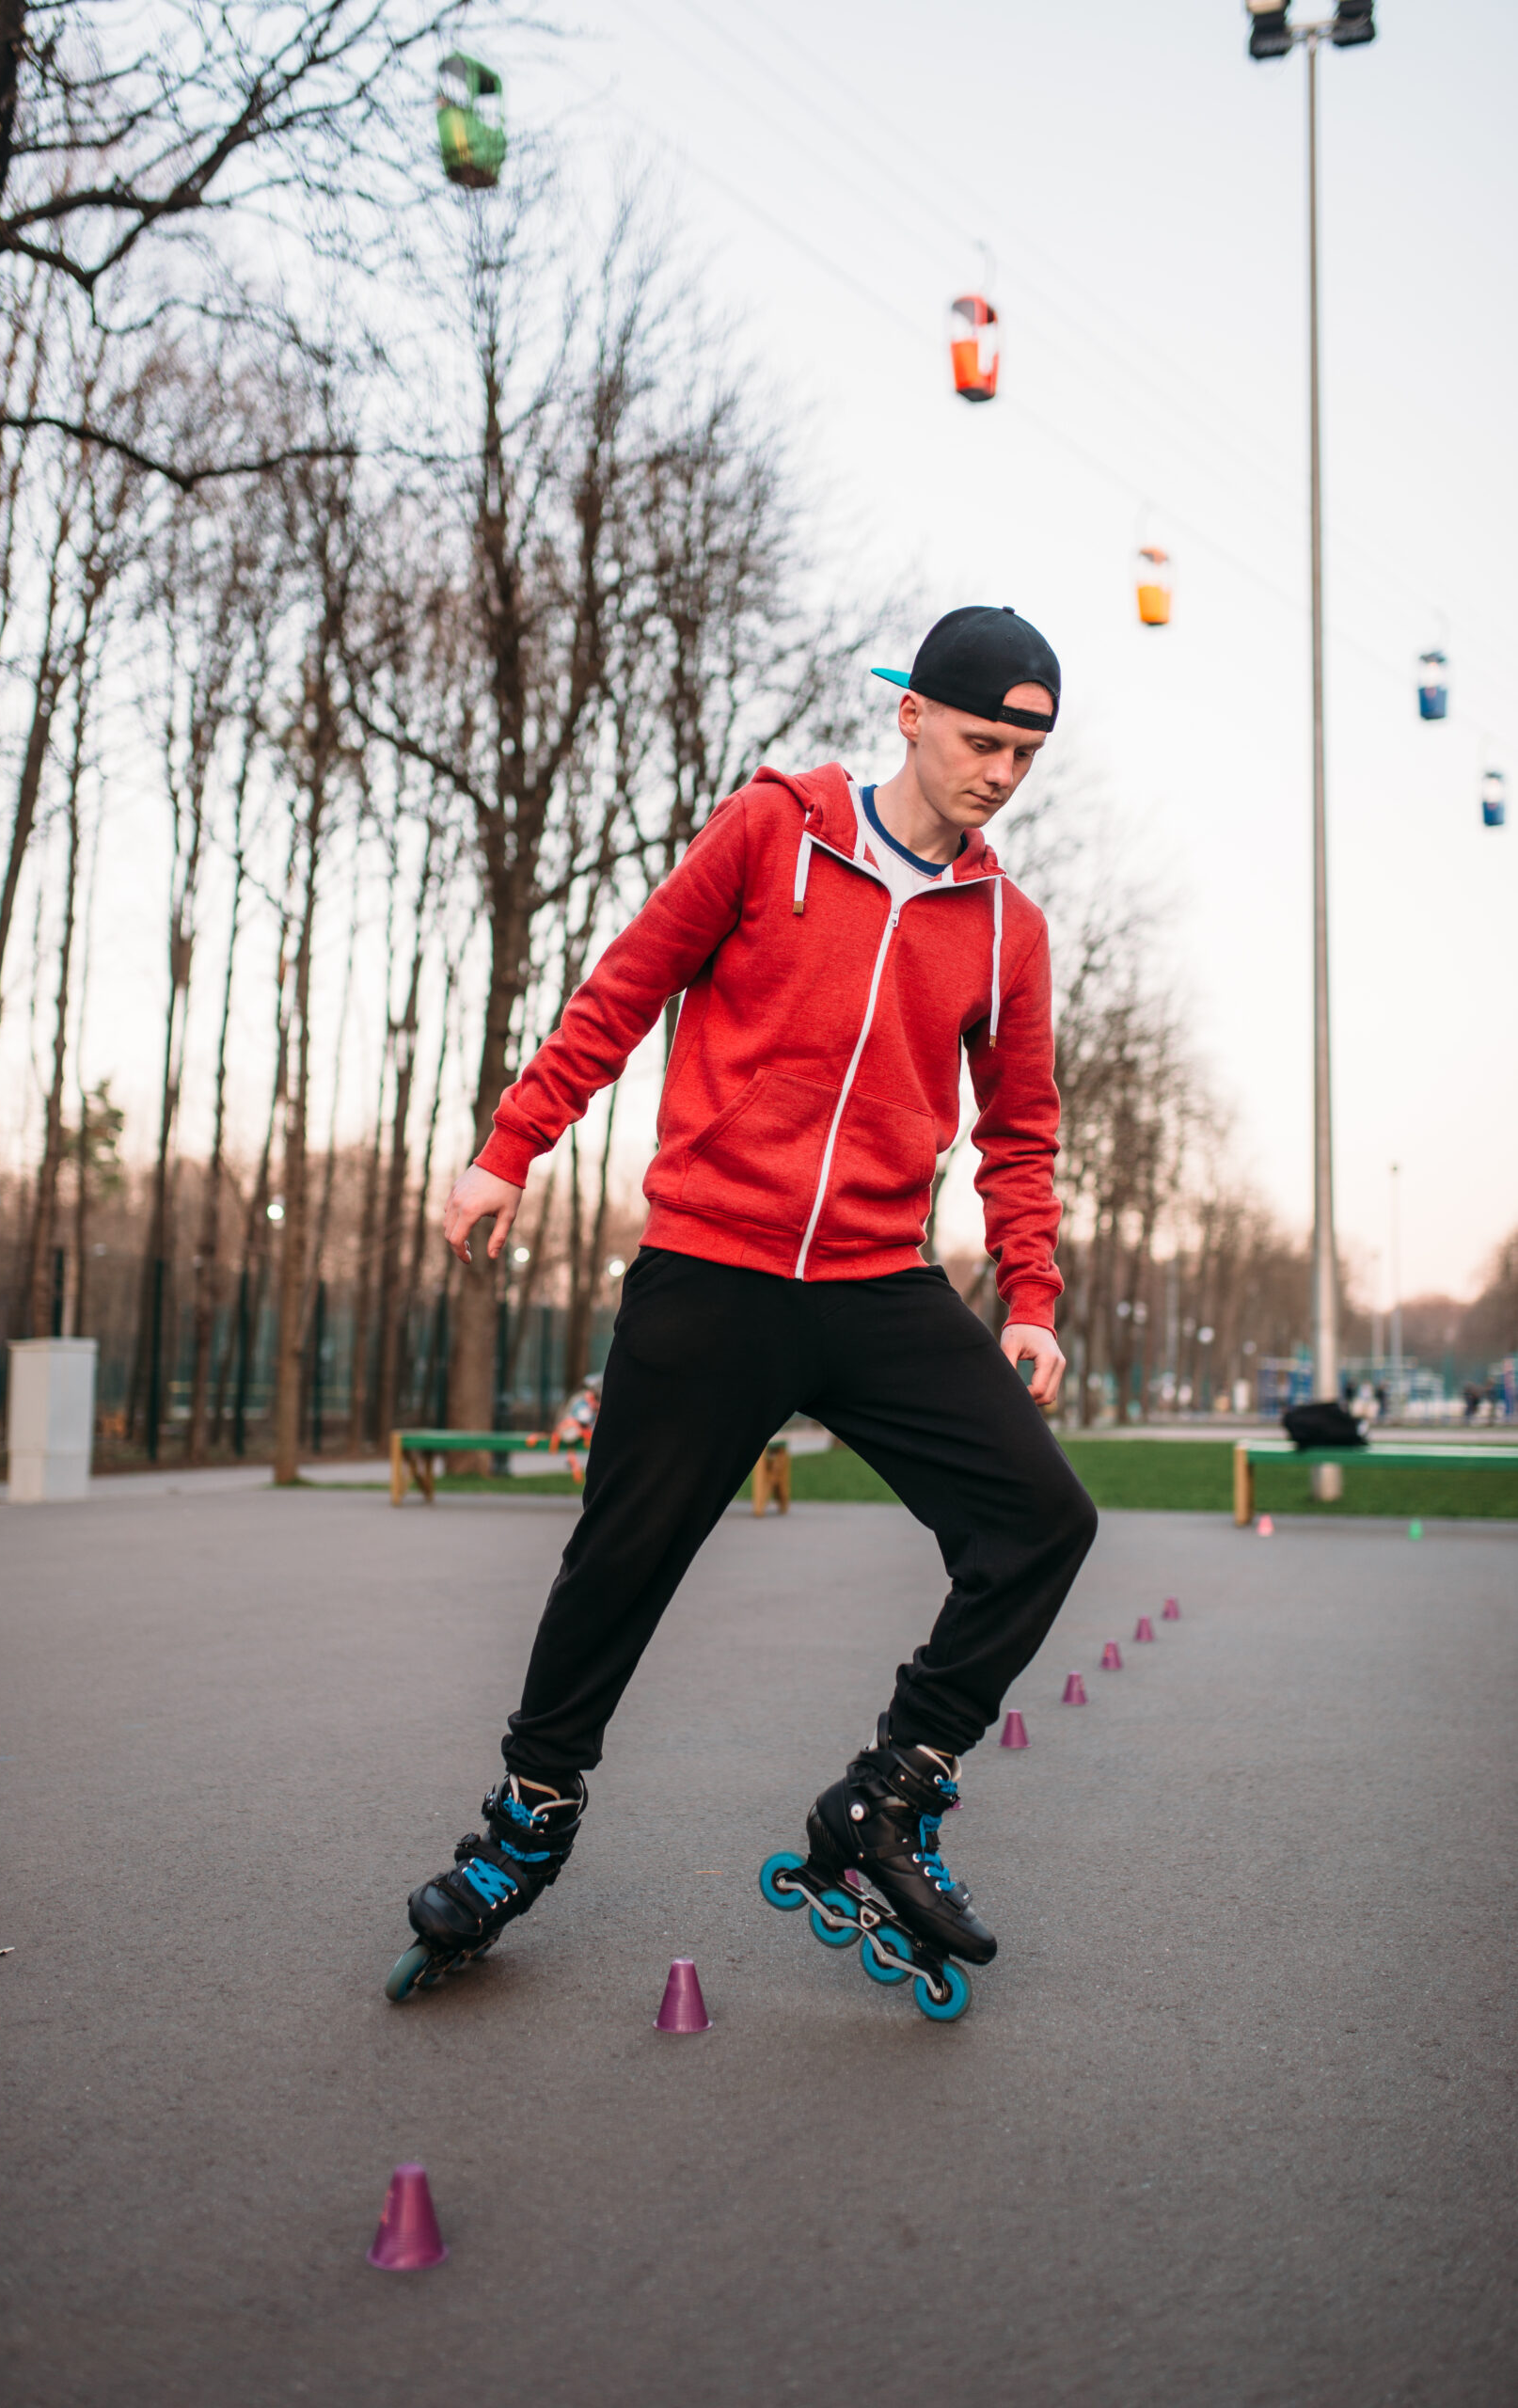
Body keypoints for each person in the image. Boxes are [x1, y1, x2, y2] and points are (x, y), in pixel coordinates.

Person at [392, 606, 1098, 2002]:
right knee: (619, 1565)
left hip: (876, 1281)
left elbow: (1020, 1133)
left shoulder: (1007, 933)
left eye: (1025, 752)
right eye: (979, 740)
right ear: (908, 715)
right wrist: (507, 1149)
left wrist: (1030, 1293)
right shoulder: (772, 833)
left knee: (1041, 1522)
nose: (1000, 773)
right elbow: (626, 986)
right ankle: (524, 1828)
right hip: (712, 1267)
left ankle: (888, 1795)